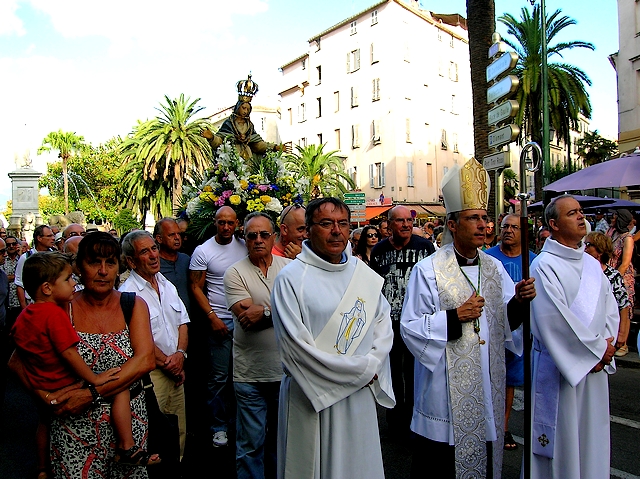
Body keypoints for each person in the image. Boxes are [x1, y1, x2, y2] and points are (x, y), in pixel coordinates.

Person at [400, 158, 536, 478]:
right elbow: (410, 327)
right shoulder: (428, 269)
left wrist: (518, 301)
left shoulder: (493, 267)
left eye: (485, 218)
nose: (482, 225)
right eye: (473, 218)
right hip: (442, 396)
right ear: (452, 224)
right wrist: (453, 317)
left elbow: (504, 321)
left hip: (485, 387)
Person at [10, 232, 159, 478]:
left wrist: (90, 393)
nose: (103, 271)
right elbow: (16, 362)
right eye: (93, 262)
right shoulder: (59, 308)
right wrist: (48, 398)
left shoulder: (132, 304)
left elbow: (145, 361)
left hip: (128, 428)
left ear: (118, 267)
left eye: (110, 263)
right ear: (78, 268)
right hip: (73, 427)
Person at [271, 197, 394, 479]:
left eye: (342, 223)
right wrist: (364, 370)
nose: (336, 231)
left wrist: (373, 363)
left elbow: (381, 324)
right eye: (326, 224)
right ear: (308, 230)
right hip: (311, 396)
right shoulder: (290, 279)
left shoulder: (363, 274)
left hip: (358, 398)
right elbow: (295, 352)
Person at [530, 195, 618, 479]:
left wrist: (607, 345)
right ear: (554, 224)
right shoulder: (544, 266)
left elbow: (610, 309)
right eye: (572, 213)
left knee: (592, 440)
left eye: (581, 212)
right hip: (562, 372)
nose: (581, 217)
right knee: (564, 443)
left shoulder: (592, 264)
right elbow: (552, 320)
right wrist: (595, 352)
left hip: (594, 371)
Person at [223, 212, 290, 479]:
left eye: (264, 234)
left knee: (280, 443)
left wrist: (263, 311)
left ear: (273, 236)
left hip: (285, 372)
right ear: (245, 238)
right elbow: (245, 317)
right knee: (250, 445)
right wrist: (282, 312)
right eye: (252, 235)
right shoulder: (235, 272)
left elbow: (300, 313)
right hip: (250, 375)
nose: (258, 240)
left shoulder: (288, 268)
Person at [119, 230, 190, 459]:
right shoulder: (127, 294)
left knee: (178, 432)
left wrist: (180, 356)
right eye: (144, 251)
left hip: (176, 370)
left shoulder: (166, 283)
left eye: (154, 248)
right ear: (131, 261)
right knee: (153, 435)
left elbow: (182, 322)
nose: (153, 255)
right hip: (152, 376)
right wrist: (169, 364)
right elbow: (138, 339)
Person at [369, 205, 435, 439]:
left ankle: (416, 418)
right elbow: (373, 287)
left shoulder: (425, 248)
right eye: (400, 221)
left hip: (418, 322)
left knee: (415, 371)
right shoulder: (378, 251)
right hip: (389, 323)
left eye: (409, 220)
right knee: (393, 371)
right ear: (389, 225)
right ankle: (395, 419)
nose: (406, 225)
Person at [189, 206, 247, 448]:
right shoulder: (203, 251)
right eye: (221, 222)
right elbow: (195, 287)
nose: (225, 227)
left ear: (237, 224)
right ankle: (218, 427)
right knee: (219, 378)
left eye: (230, 223)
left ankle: (242, 425)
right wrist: (212, 317)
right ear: (215, 222)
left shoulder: (244, 246)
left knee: (245, 377)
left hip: (245, 321)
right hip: (220, 321)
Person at [485, 214, 537, 451]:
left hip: (520, 331)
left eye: (515, 227)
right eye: (505, 226)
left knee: (508, 382)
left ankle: (504, 426)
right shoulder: (488, 258)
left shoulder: (533, 260)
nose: (509, 231)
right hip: (493, 328)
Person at [584, 232, 632, 354]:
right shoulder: (582, 272)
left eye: (588, 245)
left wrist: (621, 335)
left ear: (599, 251)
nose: (584, 247)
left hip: (606, 331)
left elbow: (624, 305)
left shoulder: (612, 276)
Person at [605, 209, 635, 356]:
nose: (612, 218)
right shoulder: (611, 233)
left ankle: (623, 343)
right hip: (609, 273)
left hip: (622, 277)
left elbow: (625, 262)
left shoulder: (627, 238)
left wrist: (615, 278)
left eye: (615, 216)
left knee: (624, 307)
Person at [154, 218, 191, 312]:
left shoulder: (186, 260)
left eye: (179, 234)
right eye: (171, 235)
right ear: (159, 238)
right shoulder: (154, 264)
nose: (177, 237)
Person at [15, 225, 56, 310]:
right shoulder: (26, 257)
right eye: (49, 236)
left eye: (53, 235)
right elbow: (19, 284)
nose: (53, 238)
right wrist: (24, 308)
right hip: (33, 304)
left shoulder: (56, 256)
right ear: (39, 238)